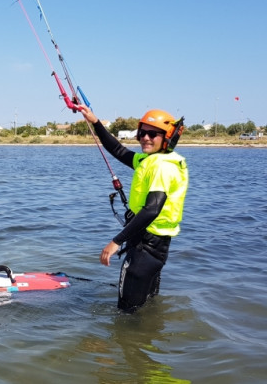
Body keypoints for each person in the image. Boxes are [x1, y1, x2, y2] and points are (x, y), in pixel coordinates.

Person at [79, 106, 189, 313]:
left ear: (167, 137)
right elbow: (118, 150)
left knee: (126, 313)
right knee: (145, 307)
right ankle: (147, 340)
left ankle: (126, 343)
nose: (145, 138)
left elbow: (152, 209)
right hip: (156, 245)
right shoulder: (152, 160)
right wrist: (95, 122)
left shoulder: (161, 166)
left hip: (145, 246)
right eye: (142, 133)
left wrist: (115, 242)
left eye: (153, 134)